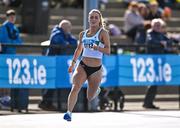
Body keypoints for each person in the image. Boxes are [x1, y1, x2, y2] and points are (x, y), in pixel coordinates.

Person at [63, 9, 111, 121]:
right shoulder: (83, 34)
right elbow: (79, 49)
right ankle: (68, 113)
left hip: (96, 69)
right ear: (88, 19)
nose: (93, 19)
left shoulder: (103, 33)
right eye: (91, 17)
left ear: (99, 20)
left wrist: (98, 48)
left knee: (90, 97)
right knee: (75, 87)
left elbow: (108, 51)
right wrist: (73, 64)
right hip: (83, 65)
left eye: (96, 17)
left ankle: (97, 90)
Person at [38, 20, 77, 111]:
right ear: (64, 27)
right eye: (68, 28)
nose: (69, 29)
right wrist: (67, 43)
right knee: (51, 84)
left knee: (56, 83)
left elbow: (73, 42)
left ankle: (49, 103)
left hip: (59, 64)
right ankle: (45, 102)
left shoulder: (65, 35)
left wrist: (69, 42)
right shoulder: (56, 34)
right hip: (52, 63)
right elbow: (63, 43)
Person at [143, 18, 168, 109]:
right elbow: (150, 41)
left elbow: (169, 41)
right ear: (152, 26)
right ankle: (147, 102)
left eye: (159, 25)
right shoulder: (150, 33)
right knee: (153, 83)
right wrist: (161, 43)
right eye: (156, 25)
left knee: (155, 83)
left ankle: (149, 102)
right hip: (152, 62)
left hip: (160, 61)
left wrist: (165, 42)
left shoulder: (161, 34)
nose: (158, 27)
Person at [0, 9, 23, 109]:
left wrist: (12, 42)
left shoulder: (15, 28)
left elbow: (19, 42)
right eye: (10, 16)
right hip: (5, 56)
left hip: (12, 56)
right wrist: (13, 42)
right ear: (7, 17)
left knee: (10, 78)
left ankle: (6, 98)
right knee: (3, 78)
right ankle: (2, 98)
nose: (12, 18)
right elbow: (5, 41)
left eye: (14, 16)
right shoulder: (3, 27)